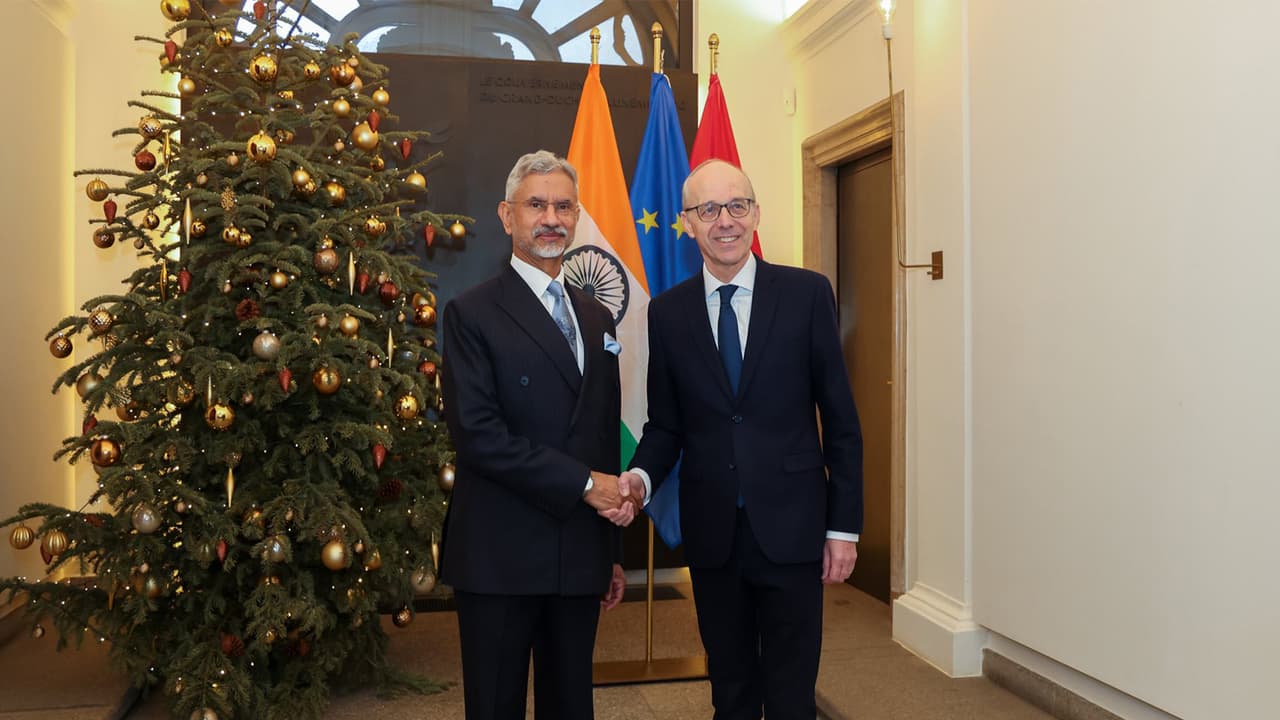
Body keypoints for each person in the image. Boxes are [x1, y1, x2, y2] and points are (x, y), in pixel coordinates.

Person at [618, 159, 863, 720]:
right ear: (689, 223)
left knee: (791, 694)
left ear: (755, 213)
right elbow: (666, 426)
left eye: (736, 206)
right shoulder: (668, 312)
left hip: (795, 529)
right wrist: (638, 477)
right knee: (729, 689)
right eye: (708, 210)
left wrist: (843, 527)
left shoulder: (806, 295)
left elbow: (842, 421)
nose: (724, 221)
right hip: (714, 537)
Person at [439, 150, 639, 720]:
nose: (550, 217)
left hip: (578, 552)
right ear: (507, 216)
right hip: (500, 553)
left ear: (576, 217)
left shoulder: (596, 316)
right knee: (497, 704)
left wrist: (610, 553)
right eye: (535, 205)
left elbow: (601, 436)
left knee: (571, 704)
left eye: (563, 206)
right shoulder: (472, 313)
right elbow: (478, 436)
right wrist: (583, 485)